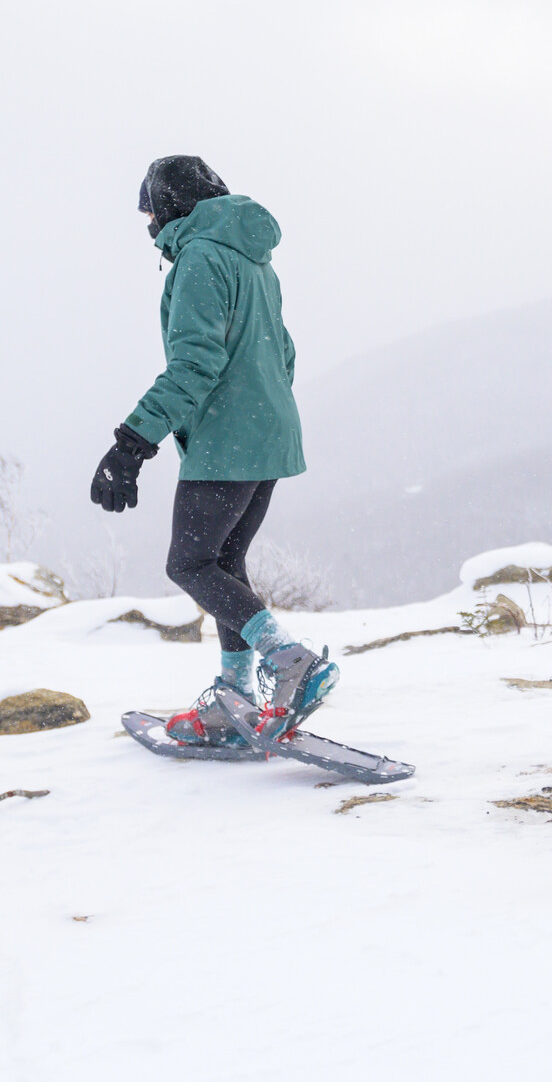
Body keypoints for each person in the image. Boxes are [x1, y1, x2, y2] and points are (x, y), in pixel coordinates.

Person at [89, 154, 336, 747]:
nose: (148, 227)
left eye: (149, 213)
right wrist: (259, 410)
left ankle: (289, 660)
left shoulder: (199, 258)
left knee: (190, 564)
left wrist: (132, 442)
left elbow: (196, 363)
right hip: (267, 431)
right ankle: (234, 699)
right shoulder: (254, 262)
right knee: (224, 565)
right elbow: (286, 355)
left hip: (229, 436)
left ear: (171, 207)